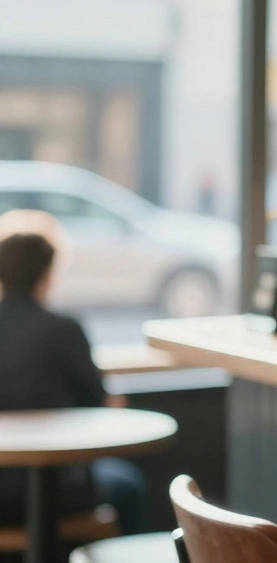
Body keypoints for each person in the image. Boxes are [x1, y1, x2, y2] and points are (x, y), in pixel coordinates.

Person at [0, 211, 150, 535]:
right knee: (128, 486)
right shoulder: (64, 330)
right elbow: (101, 405)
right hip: (58, 488)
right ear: (47, 272)